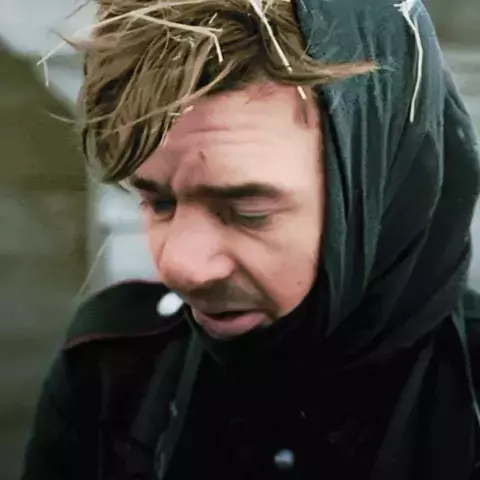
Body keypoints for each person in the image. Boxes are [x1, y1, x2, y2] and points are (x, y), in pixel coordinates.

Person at [21, 0, 480, 479]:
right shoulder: (113, 375)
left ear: (385, 192)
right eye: (159, 203)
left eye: (248, 213)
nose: (180, 267)